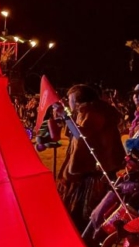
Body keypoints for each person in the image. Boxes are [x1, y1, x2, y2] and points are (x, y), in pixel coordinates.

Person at [54, 84, 126, 236]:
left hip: (93, 172)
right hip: (94, 170)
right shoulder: (90, 111)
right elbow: (74, 133)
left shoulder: (92, 112)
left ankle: (90, 241)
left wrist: (66, 116)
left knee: (86, 212)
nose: (69, 102)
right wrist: (64, 117)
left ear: (79, 100)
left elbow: (82, 135)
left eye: (70, 99)